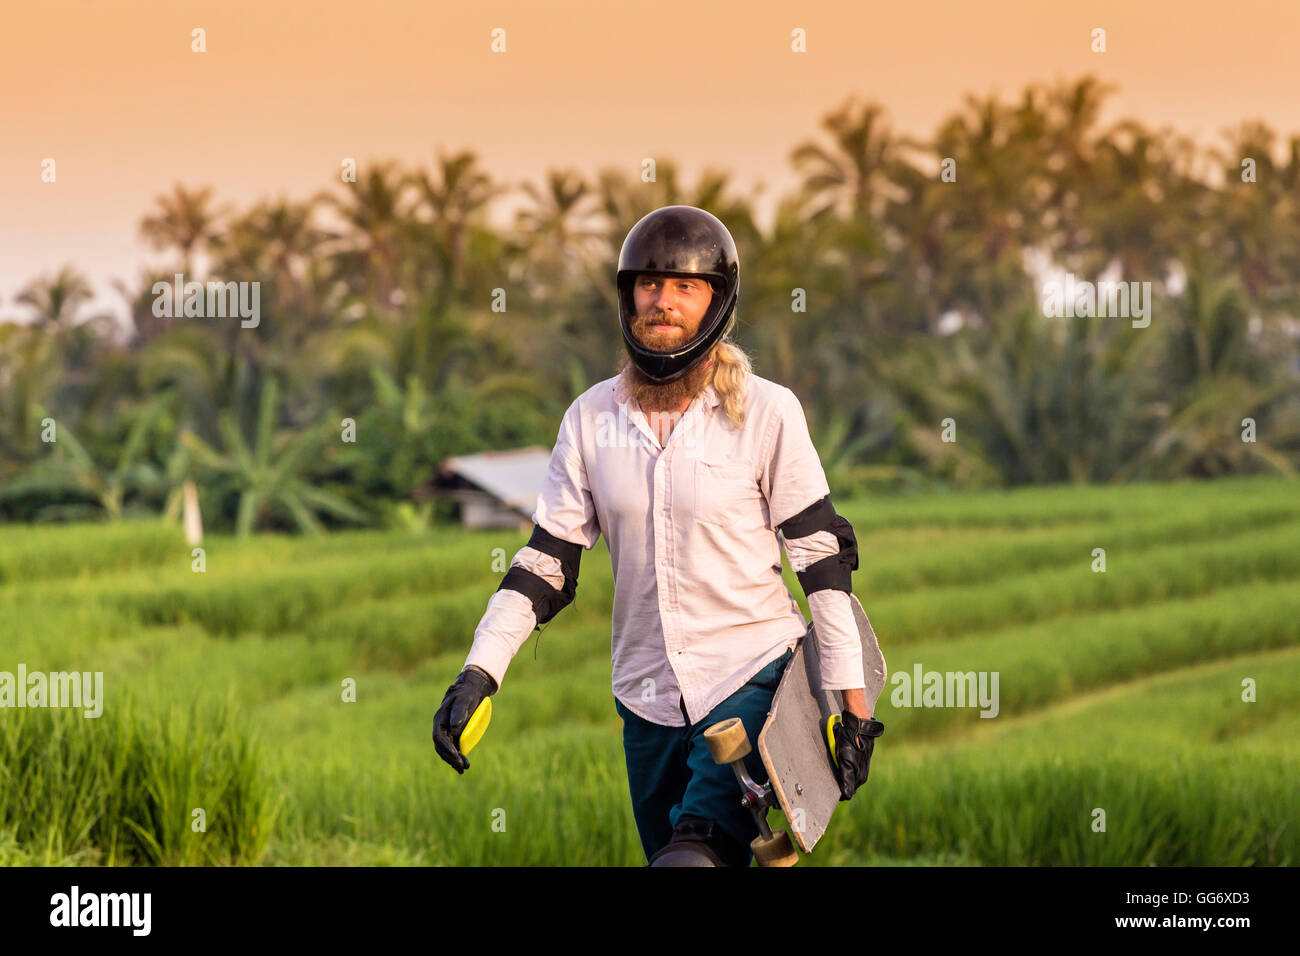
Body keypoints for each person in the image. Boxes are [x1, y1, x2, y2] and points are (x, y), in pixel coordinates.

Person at [433, 205, 883, 866]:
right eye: (648, 284)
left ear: (717, 302)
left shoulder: (767, 412)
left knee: (692, 857)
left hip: (751, 678)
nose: (662, 301)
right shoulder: (590, 419)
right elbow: (543, 567)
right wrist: (479, 673)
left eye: (684, 286)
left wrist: (852, 709)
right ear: (627, 296)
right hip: (644, 704)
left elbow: (820, 559)